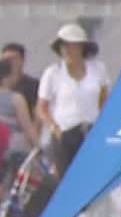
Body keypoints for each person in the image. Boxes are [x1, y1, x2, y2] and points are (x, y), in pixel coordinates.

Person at [35, 23, 110, 173]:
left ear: (82, 47)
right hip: (64, 132)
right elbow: (42, 107)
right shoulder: (52, 73)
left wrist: (104, 126)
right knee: (65, 177)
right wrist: (54, 129)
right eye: (64, 46)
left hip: (92, 131)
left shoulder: (98, 69)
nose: (68, 50)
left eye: (73, 46)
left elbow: (104, 100)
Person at [1, 41, 41, 111]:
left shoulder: (34, 85)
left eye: (14, 58)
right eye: (6, 60)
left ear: (22, 60)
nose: (10, 63)